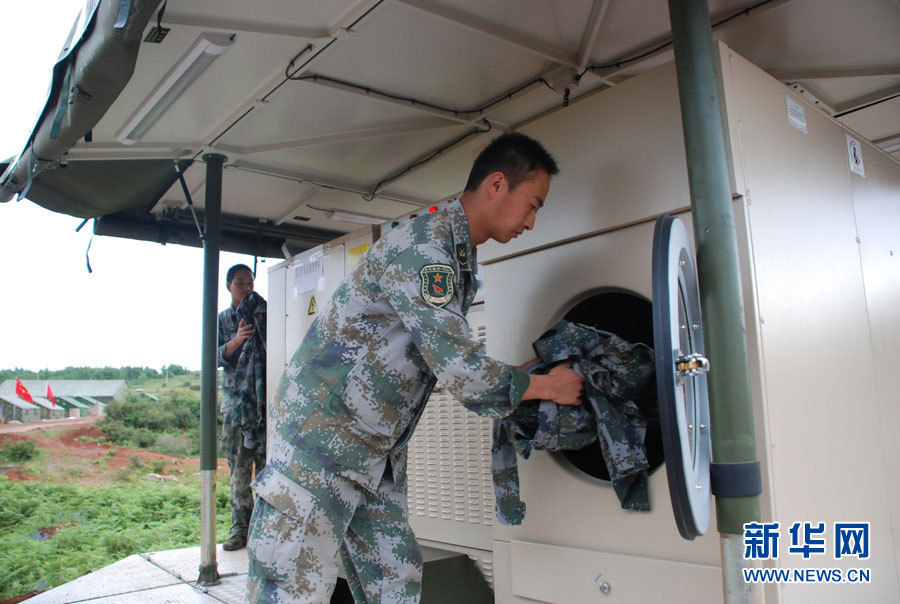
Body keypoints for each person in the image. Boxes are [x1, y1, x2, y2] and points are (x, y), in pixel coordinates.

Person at [246, 132, 583, 603]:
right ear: (497, 184)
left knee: (395, 582)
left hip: (373, 452)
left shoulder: (455, 254)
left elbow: (437, 361)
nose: (531, 221)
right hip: (320, 443)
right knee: (291, 587)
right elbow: (462, 371)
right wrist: (548, 387)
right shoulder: (426, 247)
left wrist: (524, 376)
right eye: (533, 204)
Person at [217, 264, 267, 551]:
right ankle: (239, 529)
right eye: (240, 283)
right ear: (228, 286)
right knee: (238, 468)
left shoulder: (266, 315)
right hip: (237, 406)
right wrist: (237, 340)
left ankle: (262, 527)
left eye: (249, 283)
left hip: (262, 404)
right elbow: (213, 355)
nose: (246, 288)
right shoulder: (223, 319)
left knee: (265, 468)